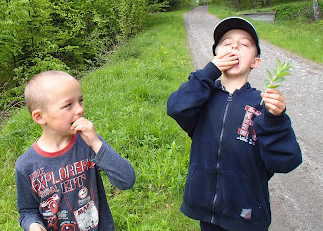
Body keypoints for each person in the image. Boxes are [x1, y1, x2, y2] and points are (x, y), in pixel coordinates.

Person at [166, 17, 302, 231]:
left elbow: (285, 162)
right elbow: (176, 107)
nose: (234, 46)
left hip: (248, 215)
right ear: (216, 55)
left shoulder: (262, 103)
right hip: (206, 211)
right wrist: (209, 72)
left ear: (255, 61)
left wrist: (276, 119)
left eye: (244, 44)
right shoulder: (202, 97)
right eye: (226, 43)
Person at [15, 71, 136, 231]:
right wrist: (33, 225)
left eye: (80, 101)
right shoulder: (26, 166)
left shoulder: (88, 143)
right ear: (39, 117)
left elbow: (126, 180)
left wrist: (96, 143)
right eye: (68, 105)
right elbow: (27, 211)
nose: (79, 110)